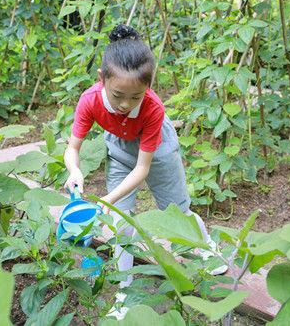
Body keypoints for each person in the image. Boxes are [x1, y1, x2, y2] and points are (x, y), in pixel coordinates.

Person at [63, 24, 227, 319]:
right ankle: (124, 295)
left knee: (176, 211)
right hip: (119, 148)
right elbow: (72, 147)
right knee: (121, 222)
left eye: (135, 96)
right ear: (101, 80)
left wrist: (105, 199)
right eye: (118, 95)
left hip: (157, 151)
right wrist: (74, 171)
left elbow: (143, 168)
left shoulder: (152, 108)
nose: (125, 104)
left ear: (148, 87)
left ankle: (206, 247)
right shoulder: (89, 101)